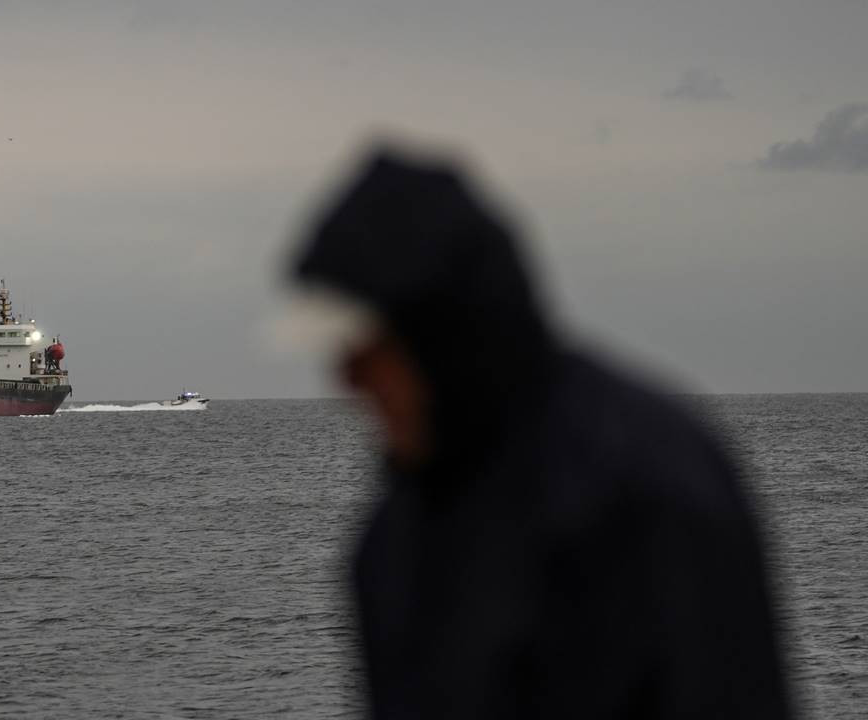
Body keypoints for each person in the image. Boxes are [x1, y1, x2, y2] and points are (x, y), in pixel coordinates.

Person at [290, 147, 791, 718]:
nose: (347, 378)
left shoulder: (652, 488)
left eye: (369, 348)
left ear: (443, 336)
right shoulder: (391, 540)